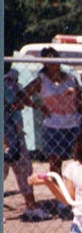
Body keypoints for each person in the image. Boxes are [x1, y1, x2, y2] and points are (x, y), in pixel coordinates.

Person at [23, 47, 82, 179]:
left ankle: (76, 189)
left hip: (73, 123)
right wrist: (38, 107)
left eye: (55, 58)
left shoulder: (71, 79)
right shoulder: (41, 81)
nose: (53, 62)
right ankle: (58, 193)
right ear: (44, 63)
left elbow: (79, 101)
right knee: (55, 162)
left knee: (79, 160)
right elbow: (22, 95)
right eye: (49, 60)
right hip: (53, 125)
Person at [4, 69, 51, 220]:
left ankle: (31, 206)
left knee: (23, 168)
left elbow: (21, 101)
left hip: (14, 128)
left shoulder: (12, 87)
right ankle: (31, 206)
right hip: (8, 128)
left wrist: (33, 105)